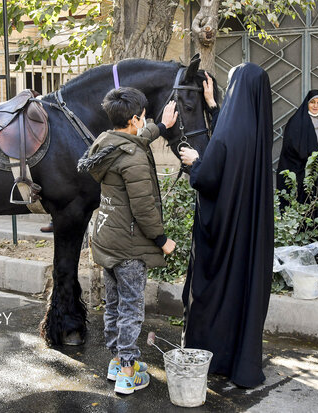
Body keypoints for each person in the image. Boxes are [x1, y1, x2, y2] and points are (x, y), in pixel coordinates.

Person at [77, 87, 177, 395]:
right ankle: (127, 372)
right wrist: (162, 239)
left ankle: (116, 359)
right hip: (129, 246)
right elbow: (144, 208)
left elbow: (135, 141)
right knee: (131, 309)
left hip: (106, 240)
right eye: (144, 117)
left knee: (115, 305)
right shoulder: (131, 157)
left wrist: (160, 126)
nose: (145, 120)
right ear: (133, 119)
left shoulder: (106, 143)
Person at [179, 63, 274, 388]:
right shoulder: (258, 133)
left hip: (225, 237)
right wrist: (214, 106)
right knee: (241, 294)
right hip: (249, 237)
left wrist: (195, 163)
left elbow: (209, 177)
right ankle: (241, 363)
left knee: (217, 295)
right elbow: (231, 152)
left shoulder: (225, 137)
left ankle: (213, 358)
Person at [276, 90, 318, 216]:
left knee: (315, 208)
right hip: (298, 170)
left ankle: (313, 236)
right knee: (299, 206)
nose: (315, 106)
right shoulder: (296, 121)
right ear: (307, 103)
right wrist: (314, 151)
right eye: (312, 102)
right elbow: (291, 146)